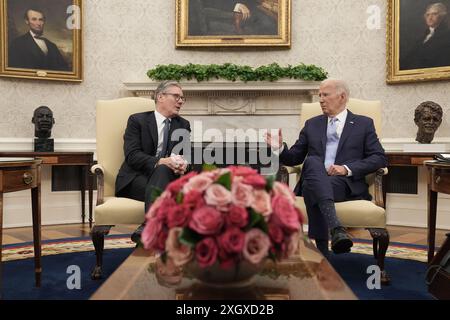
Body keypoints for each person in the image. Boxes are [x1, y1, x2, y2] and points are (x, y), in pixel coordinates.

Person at [264, 79, 387, 257]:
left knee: (313, 186)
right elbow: (294, 158)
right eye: (319, 95)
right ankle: (336, 228)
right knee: (313, 161)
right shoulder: (312, 124)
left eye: (325, 95)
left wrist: (346, 168)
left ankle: (322, 253)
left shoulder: (363, 123)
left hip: (344, 184)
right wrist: (280, 148)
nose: (320, 99)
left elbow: (379, 158)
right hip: (315, 179)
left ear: (342, 97)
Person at [115, 81, 191, 243]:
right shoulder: (137, 121)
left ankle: (149, 228)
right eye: (176, 96)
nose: (180, 101)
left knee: (165, 172)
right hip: (135, 179)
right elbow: (132, 156)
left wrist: (182, 165)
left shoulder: (183, 125)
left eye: (182, 98)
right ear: (160, 97)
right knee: (164, 173)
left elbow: (183, 156)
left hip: (168, 178)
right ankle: (160, 232)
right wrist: (161, 161)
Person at [401, 2, 450, 70]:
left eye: (434, 14)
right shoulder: (422, 38)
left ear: (442, 16)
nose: (430, 18)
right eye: (427, 15)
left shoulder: (447, 36)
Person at [188, 0, 277, 36]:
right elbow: (206, 3)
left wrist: (264, 4)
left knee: (271, 23)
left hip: (248, 9)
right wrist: (236, 5)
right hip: (224, 16)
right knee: (268, 25)